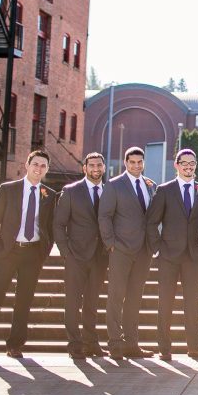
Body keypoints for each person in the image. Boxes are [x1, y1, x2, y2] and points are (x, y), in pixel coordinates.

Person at [0, 150, 56, 361]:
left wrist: (44, 252)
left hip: (33, 254)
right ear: (27, 164)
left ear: (47, 170)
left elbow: (50, 227)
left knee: (24, 301)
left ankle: (15, 345)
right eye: (35, 164)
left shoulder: (50, 195)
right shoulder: (8, 189)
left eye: (43, 166)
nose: (38, 169)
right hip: (7, 252)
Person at [146, 148, 198, 361]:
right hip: (168, 256)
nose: (188, 166)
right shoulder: (165, 190)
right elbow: (151, 222)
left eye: (192, 162)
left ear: (196, 165)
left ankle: (195, 347)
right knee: (165, 302)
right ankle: (164, 347)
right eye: (184, 162)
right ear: (176, 165)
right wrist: (157, 249)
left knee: (192, 303)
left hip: (193, 257)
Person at [98, 146, 156, 360]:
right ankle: (115, 343)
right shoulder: (114, 185)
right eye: (132, 162)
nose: (136, 165)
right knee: (116, 296)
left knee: (135, 297)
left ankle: (132, 343)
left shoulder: (150, 185)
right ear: (126, 162)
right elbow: (104, 215)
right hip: (121, 249)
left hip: (144, 250)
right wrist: (110, 243)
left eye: (140, 162)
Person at [53, 152, 109, 359]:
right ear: (84, 168)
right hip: (76, 255)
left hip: (100, 255)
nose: (96, 169)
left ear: (104, 168)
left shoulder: (110, 191)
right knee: (73, 301)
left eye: (99, 165)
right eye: (91, 165)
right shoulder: (70, 191)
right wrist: (65, 251)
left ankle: (92, 343)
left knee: (92, 302)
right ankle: (75, 344)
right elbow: (58, 224)